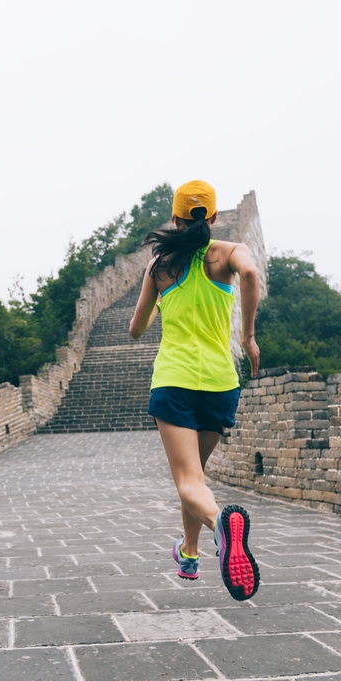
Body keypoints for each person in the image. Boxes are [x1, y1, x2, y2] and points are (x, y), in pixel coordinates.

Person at [129, 180, 262, 601]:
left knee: (188, 481)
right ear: (215, 217)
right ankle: (189, 554)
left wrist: (163, 304)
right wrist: (248, 337)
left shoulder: (160, 266)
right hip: (221, 384)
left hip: (175, 382)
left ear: (175, 218)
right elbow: (252, 274)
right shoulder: (229, 252)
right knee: (197, 477)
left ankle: (222, 524)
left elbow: (136, 329)